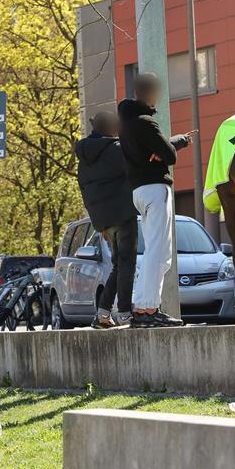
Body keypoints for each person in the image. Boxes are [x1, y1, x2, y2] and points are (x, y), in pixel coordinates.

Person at [118, 73, 197, 328]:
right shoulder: (146, 123)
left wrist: (169, 145)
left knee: (154, 250)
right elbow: (170, 156)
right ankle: (147, 309)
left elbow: (163, 150)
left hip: (139, 192)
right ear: (151, 93)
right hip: (155, 189)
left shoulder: (126, 124)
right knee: (159, 252)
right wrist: (168, 148)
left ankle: (144, 306)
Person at [75, 111, 137, 329]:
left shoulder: (84, 159)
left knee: (118, 265)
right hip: (123, 213)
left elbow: (86, 191)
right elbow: (140, 161)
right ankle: (125, 313)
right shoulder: (116, 150)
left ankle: (103, 313)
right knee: (127, 264)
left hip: (104, 220)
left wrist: (99, 222)